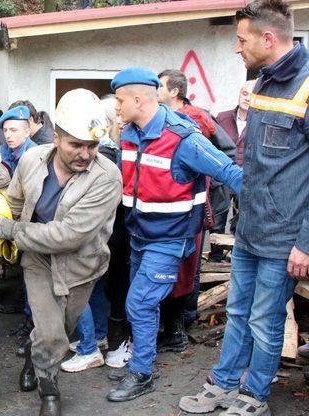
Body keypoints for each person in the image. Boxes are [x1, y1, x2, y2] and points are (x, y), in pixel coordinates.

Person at [180, 2, 309, 415]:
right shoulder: (264, 84)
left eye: (241, 39)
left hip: (284, 236)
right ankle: (222, 384)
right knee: (238, 311)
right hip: (250, 228)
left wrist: (305, 243)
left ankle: (253, 396)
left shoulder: (306, 88)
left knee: (265, 320)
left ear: (268, 39)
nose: (237, 48)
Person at [106, 67, 242, 402]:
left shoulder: (182, 137)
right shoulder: (129, 133)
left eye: (120, 100)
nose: (116, 107)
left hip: (169, 239)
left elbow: (230, 172)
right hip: (139, 235)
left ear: (139, 100)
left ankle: (140, 374)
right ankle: (142, 361)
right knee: (140, 304)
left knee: (139, 303)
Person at [0, 88, 121, 416]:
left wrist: (14, 232)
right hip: (37, 257)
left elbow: (68, 236)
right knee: (50, 330)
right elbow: (16, 201)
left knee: (61, 329)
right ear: (57, 136)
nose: (85, 153)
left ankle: (34, 357)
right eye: (76, 144)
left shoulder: (107, 178)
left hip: (80, 265)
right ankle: (49, 390)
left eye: (92, 146)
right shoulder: (33, 159)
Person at [217, 80, 256, 169]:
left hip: (245, 177)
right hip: (222, 174)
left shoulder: (258, 123)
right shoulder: (222, 117)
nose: (247, 98)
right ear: (239, 95)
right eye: (245, 94)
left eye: (252, 96)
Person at [0, 105, 37, 173]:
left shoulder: (35, 155)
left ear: (27, 132)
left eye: (13, 130)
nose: (7, 135)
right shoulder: (1, 151)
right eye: (5, 130)